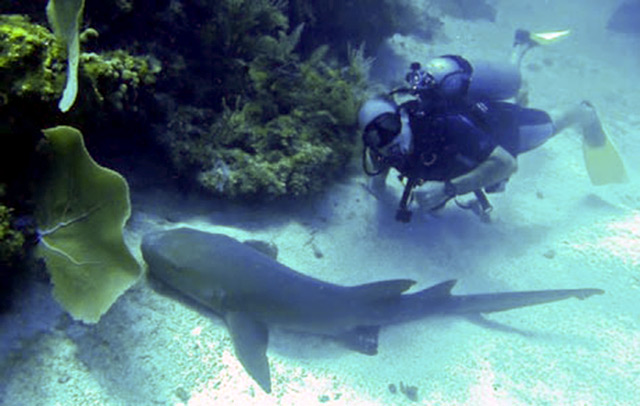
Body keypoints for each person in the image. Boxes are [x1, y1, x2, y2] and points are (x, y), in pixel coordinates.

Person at [359, 29, 627, 223]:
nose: (386, 140)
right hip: (468, 145)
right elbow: (379, 169)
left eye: (389, 126)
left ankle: (584, 111)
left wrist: (447, 189)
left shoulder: (448, 125)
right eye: (374, 136)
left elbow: (508, 163)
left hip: (507, 128)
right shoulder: (382, 145)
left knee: (554, 123)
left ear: (403, 118)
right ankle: (521, 46)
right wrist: (378, 189)